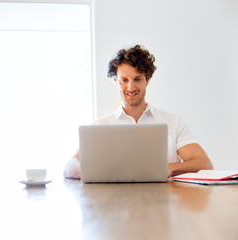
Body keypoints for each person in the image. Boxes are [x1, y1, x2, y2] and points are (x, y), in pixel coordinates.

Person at [64, 44, 213, 179]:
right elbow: (70, 167)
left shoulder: (173, 122)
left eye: (137, 79)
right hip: (115, 203)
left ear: (147, 79)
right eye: (124, 80)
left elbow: (204, 164)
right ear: (115, 81)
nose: (130, 87)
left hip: (165, 203)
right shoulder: (99, 127)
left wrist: (166, 169)